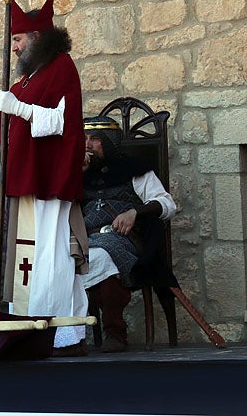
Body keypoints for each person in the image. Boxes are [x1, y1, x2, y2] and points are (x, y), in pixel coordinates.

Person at [0, 0, 88, 354]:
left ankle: (53, 332)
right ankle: (61, 332)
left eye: (18, 40)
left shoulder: (62, 68)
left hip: (49, 177)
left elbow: (62, 122)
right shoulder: (29, 77)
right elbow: (0, 115)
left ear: (37, 38)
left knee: (51, 255)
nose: (15, 47)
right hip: (27, 175)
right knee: (35, 256)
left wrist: (20, 109)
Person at [79, 116, 177, 353]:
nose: (87, 144)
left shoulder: (135, 170)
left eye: (95, 139)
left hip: (123, 240)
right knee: (59, 258)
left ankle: (115, 332)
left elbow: (167, 204)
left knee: (100, 256)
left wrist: (135, 212)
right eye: (84, 138)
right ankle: (68, 335)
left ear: (110, 142)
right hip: (84, 239)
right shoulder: (76, 172)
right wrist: (75, 175)